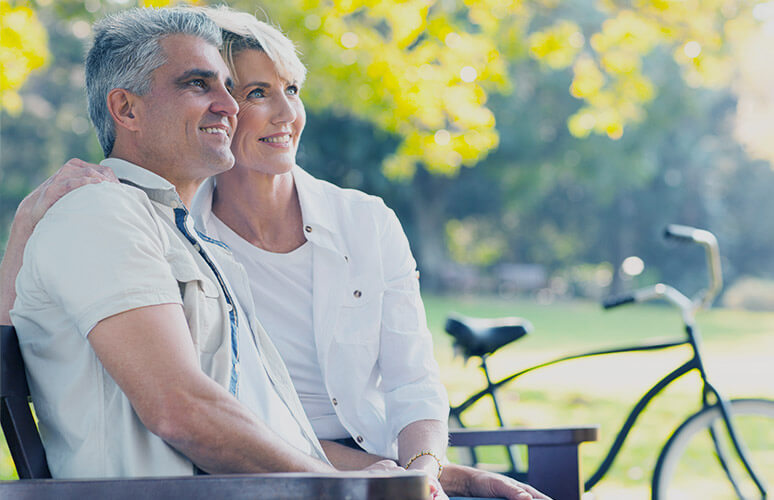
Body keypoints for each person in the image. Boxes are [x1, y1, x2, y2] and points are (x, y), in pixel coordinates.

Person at [0, 6, 549, 500]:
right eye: (201, 84)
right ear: (127, 108)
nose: (228, 106)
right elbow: (182, 410)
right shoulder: (104, 213)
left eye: (230, 87)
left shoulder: (196, 244)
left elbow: (278, 428)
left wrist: (428, 475)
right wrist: (348, 488)